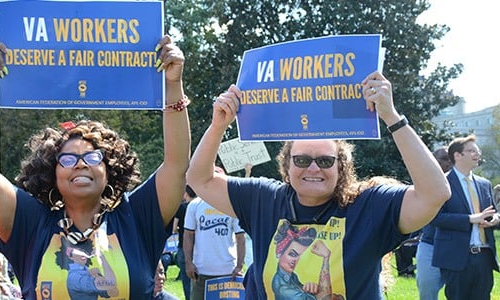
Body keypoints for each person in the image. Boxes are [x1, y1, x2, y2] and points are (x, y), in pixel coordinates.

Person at [186, 71, 451, 299]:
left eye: (325, 160)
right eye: (301, 159)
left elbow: (435, 194)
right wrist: (218, 125)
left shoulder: (369, 206)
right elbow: (199, 179)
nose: (313, 168)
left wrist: (392, 117)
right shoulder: (264, 198)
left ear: (341, 167)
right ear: (287, 166)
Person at [0, 36, 190, 299]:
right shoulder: (31, 224)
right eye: (68, 160)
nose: (81, 164)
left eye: (93, 158)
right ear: (53, 173)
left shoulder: (137, 218)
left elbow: (177, 164)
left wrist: (173, 85)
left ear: (109, 172)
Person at [430, 135, 500, 300]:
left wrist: (496, 218)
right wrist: (470, 219)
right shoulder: (441, 183)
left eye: (478, 151)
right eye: (471, 151)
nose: (477, 154)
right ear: (457, 155)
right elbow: (435, 218)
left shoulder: (484, 184)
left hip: (484, 256)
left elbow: (494, 212)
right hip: (456, 259)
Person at [183, 185, 245, 300]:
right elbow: (188, 235)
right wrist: (188, 263)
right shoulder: (195, 205)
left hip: (228, 272)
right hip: (200, 271)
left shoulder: (232, 205)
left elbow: (240, 237)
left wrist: (239, 266)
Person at [415, 147, 452, 300]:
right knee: (427, 292)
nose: (449, 163)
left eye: (451, 159)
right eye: (444, 158)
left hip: (456, 246)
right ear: (433, 161)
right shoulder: (423, 183)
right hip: (430, 245)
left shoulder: (464, 186)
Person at [173, 185, 195, 300]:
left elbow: (174, 228)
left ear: (186, 193)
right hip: (197, 249)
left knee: (186, 283)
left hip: (183, 246)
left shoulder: (181, 208)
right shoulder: (198, 207)